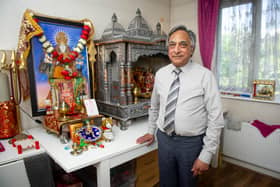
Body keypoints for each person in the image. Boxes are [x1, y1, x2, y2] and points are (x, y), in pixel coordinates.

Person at [136, 25, 224, 187]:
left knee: (187, 184)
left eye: (182, 45)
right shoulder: (161, 74)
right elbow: (154, 106)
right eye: (172, 45)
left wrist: (206, 154)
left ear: (192, 49)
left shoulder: (205, 76)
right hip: (164, 140)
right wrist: (151, 131)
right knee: (166, 183)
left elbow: (216, 118)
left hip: (190, 144)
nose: (176, 50)